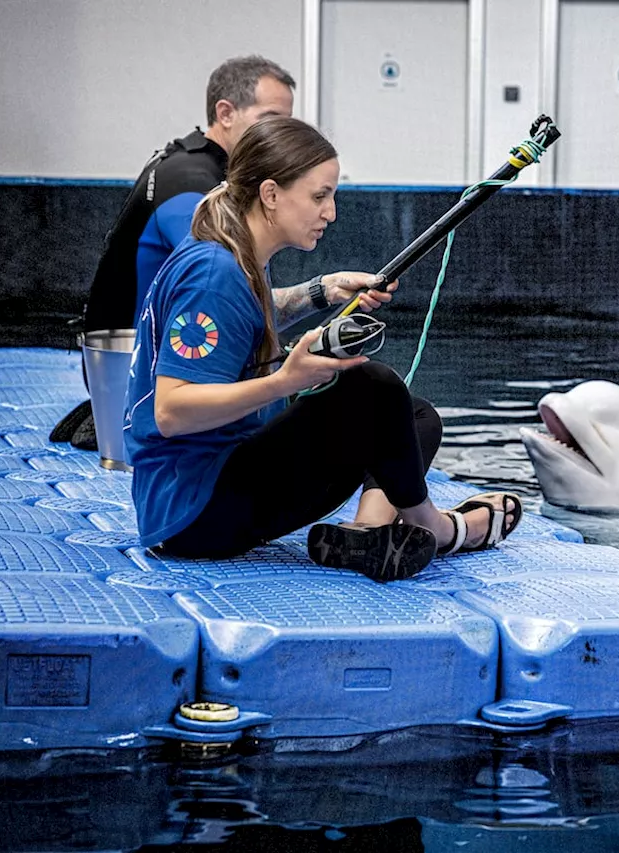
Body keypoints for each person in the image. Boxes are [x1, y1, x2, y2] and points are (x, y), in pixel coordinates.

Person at [123, 115, 523, 579]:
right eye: (319, 197)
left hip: (207, 489)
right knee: (370, 385)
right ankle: (439, 528)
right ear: (270, 194)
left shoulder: (231, 252)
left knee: (413, 416)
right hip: (194, 516)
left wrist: (323, 291)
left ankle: (365, 532)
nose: (330, 213)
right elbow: (172, 412)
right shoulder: (215, 273)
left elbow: (248, 313)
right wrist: (284, 382)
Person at [54, 55, 353, 445]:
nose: (280, 131)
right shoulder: (192, 186)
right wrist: (284, 377)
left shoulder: (210, 175)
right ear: (225, 113)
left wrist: (324, 291)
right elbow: (219, 293)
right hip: (145, 376)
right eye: (269, 117)